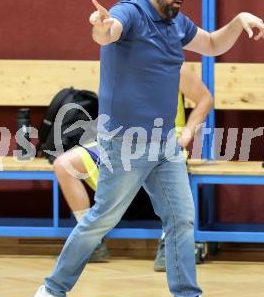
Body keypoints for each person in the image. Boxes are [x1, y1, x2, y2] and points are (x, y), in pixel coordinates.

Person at [32, 0, 264, 297]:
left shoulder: (176, 23)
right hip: (125, 143)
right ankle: (51, 293)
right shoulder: (128, 13)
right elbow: (108, 31)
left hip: (164, 144)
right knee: (101, 220)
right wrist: (101, 26)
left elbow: (210, 44)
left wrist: (240, 21)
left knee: (181, 220)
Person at [52, 64, 213, 268]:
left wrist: (187, 134)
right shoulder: (120, 65)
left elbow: (205, 100)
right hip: (121, 143)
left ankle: (170, 242)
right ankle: (91, 243)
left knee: (166, 176)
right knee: (64, 164)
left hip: (163, 143)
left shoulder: (174, 67)